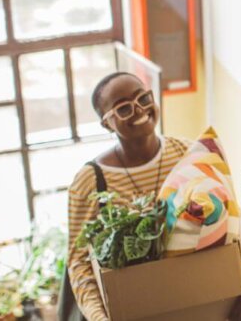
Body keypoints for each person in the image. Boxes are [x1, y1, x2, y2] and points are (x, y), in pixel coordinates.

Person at [66, 72, 190, 321]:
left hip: (192, 300)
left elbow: (227, 222)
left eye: (143, 98)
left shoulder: (187, 153)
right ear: (106, 123)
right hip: (128, 311)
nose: (139, 109)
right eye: (123, 108)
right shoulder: (90, 182)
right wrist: (98, 317)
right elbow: (79, 262)